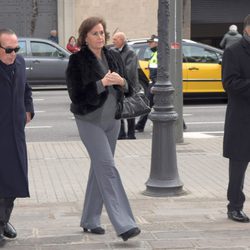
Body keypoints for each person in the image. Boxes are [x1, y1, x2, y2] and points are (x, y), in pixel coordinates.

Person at [66, 17, 140, 241]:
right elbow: (76, 96)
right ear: (85, 37)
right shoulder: (77, 61)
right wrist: (102, 84)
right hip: (89, 120)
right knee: (107, 167)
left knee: (99, 168)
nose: (100, 37)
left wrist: (122, 83)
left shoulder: (113, 56)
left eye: (102, 33)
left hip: (113, 120)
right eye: (95, 33)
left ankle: (90, 219)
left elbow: (129, 88)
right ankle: (124, 223)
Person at [0, 28, 34, 244]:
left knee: (14, 182)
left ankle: (3, 220)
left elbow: (26, 89)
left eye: (16, 49)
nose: (13, 53)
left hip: (15, 134)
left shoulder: (19, 63)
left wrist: (28, 109)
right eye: (8, 50)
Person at [222, 14, 250, 223]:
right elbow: (230, 83)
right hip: (242, 119)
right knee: (239, 165)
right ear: (247, 28)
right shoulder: (233, 51)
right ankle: (235, 206)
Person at [112, 32, 139, 140]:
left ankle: (131, 134)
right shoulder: (114, 51)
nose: (113, 41)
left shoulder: (130, 53)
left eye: (115, 39)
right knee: (119, 109)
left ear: (122, 40)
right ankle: (122, 133)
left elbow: (130, 71)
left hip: (129, 85)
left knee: (129, 109)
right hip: (118, 84)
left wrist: (118, 76)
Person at [135, 34, 158, 132]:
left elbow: (160, 71)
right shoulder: (155, 54)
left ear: (156, 43)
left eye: (150, 42)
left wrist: (156, 84)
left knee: (147, 104)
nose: (149, 44)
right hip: (154, 83)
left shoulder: (159, 54)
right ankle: (181, 125)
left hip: (156, 84)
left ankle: (140, 126)